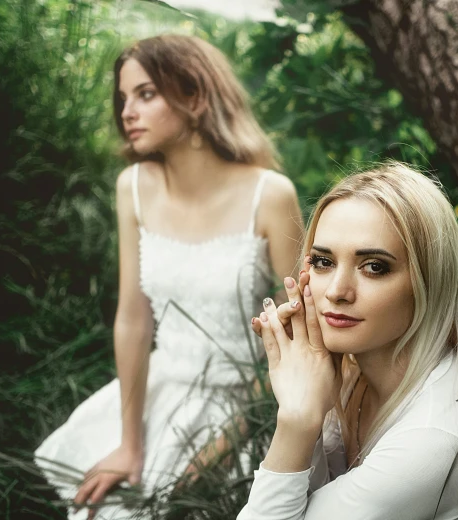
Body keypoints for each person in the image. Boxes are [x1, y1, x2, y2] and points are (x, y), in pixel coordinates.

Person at [34, 34, 304, 520]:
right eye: (122, 98)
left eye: (145, 94)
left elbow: (309, 331)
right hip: (158, 389)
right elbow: (133, 320)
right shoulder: (133, 187)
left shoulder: (271, 194)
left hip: (250, 403)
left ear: (195, 97)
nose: (126, 112)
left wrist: (237, 433)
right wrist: (129, 443)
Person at [240, 162, 458, 519]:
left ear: (428, 282)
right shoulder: (352, 380)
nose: (337, 292)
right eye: (324, 262)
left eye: (374, 266)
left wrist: (297, 420)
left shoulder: (433, 435)